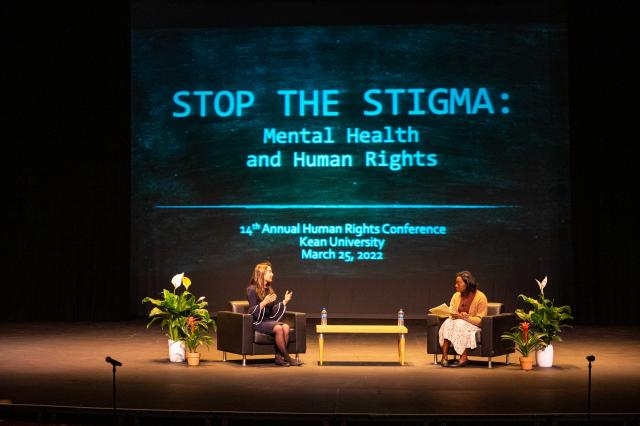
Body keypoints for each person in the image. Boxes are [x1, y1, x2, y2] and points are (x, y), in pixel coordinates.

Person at [246, 261, 303, 366]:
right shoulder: (251, 289)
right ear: (262, 274)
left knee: (285, 327)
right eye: (270, 272)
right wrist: (264, 303)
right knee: (278, 328)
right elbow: (251, 311)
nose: (272, 274)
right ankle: (287, 357)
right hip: (257, 322)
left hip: (268, 321)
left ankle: (279, 357)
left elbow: (272, 312)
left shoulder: (269, 290)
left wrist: (285, 301)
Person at [438, 270, 488, 367]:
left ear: (467, 283)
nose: (455, 285)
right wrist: (455, 315)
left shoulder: (480, 297)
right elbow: (451, 312)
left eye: (458, 283)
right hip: (458, 322)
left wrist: (464, 318)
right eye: (455, 283)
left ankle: (463, 357)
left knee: (459, 324)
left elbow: (481, 321)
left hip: (473, 325)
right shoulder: (456, 296)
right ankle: (444, 357)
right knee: (448, 322)